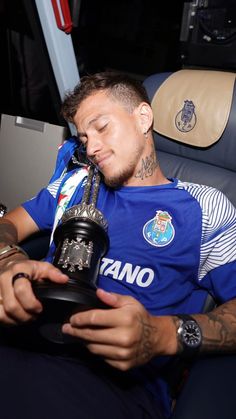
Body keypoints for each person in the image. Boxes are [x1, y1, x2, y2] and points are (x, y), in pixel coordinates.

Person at [0, 72, 236, 419]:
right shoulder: (76, 184)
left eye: (102, 127)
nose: (91, 148)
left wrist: (162, 335)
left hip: (108, 384)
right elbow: (8, 224)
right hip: (24, 337)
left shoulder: (205, 207)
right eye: (83, 137)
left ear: (143, 117)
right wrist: (8, 258)